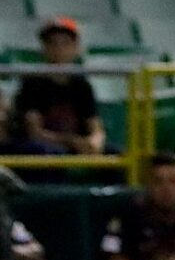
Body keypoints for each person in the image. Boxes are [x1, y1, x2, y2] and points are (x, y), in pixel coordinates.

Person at [4, 17, 107, 160]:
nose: (59, 49)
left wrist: (95, 142)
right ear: (44, 48)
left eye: (65, 43)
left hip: (74, 145)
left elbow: (95, 127)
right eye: (52, 43)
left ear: (76, 48)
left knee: (116, 153)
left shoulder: (81, 84)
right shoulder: (33, 83)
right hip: (43, 147)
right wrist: (73, 142)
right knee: (48, 153)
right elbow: (35, 133)